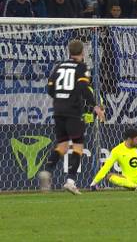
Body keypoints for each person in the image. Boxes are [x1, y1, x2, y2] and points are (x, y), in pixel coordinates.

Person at [38, 40, 105, 195]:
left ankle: (47, 171)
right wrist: (95, 105)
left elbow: (49, 89)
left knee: (62, 145)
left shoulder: (59, 66)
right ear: (82, 53)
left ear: (69, 52)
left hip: (58, 109)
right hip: (73, 111)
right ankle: (71, 181)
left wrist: (61, 98)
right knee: (78, 146)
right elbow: (83, 87)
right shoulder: (82, 67)